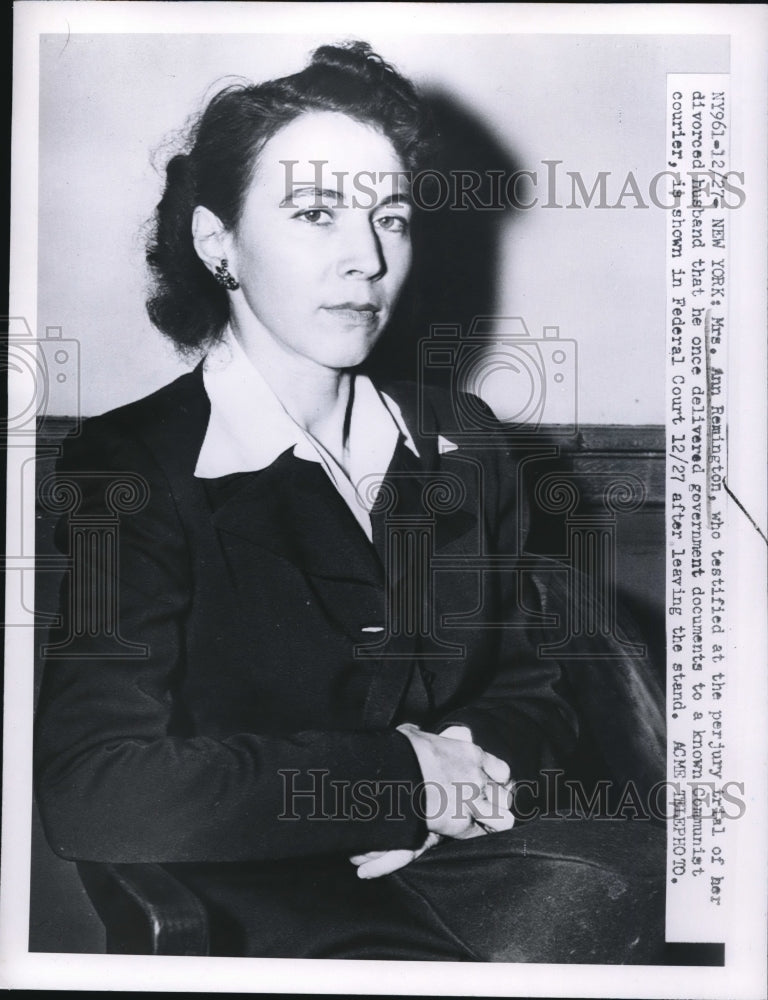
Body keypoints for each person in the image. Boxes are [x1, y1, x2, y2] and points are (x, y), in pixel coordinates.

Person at [34, 41, 665, 962]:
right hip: (277, 910)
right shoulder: (127, 466)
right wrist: (399, 779)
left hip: (479, 862)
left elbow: (539, 686)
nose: (366, 259)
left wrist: (461, 775)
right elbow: (98, 785)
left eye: (392, 218)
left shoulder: (468, 440)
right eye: (316, 213)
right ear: (219, 244)